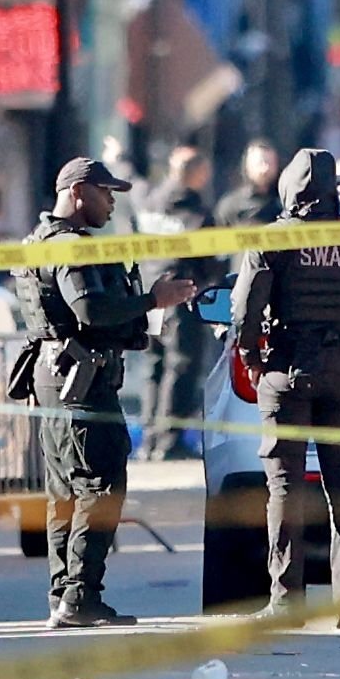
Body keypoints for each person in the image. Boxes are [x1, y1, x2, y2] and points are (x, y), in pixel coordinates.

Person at [20, 156, 198, 628]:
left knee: (65, 491)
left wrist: (140, 312)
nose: (113, 202)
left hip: (56, 376)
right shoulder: (71, 247)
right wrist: (151, 301)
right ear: (78, 192)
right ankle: (79, 596)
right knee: (100, 487)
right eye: (105, 192)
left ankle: (64, 595)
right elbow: (91, 311)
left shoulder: (40, 241)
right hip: (80, 382)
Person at [230, 147, 340, 627]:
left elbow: (244, 313)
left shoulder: (272, 240)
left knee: (284, 489)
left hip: (285, 372)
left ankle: (286, 602)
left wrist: (251, 357)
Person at [134, 144, 215, 461]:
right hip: (180, 295)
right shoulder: (195, 211)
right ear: (196, 173)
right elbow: (208, 258)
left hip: (151, 294)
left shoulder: (151, 201)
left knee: (153, 366)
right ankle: (170, 440)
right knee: (180, 366)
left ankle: (150, 437)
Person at [213, 139, 281, 227]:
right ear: (247, 166)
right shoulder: (230, 206)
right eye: (260, 163)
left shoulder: (286, 202)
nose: (265, 169)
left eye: (270, 163)